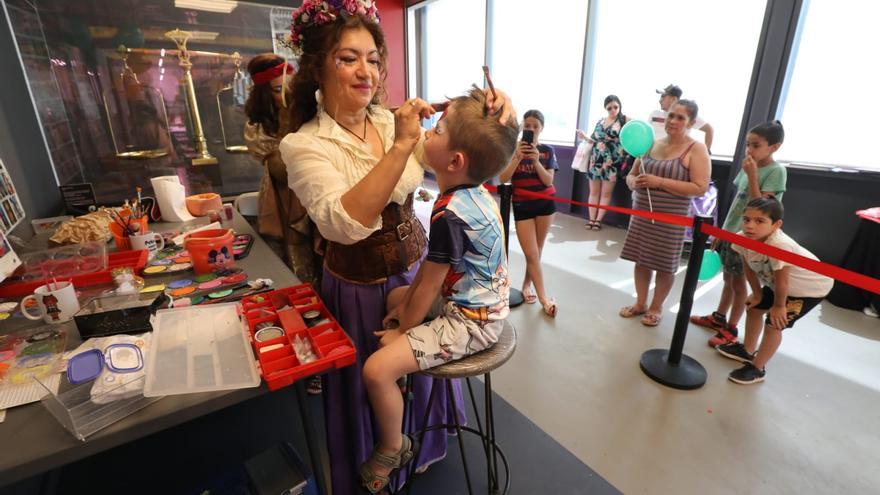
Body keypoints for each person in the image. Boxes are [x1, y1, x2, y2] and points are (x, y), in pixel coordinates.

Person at [277, 2, 515, 493]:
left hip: (422, 268)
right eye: (348, 59)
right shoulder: (304, 145)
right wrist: (402, 145)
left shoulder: (390, 121)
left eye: (372, 58)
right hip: (357, 283)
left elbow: (468, 154)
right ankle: (382, 455)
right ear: (319, 66)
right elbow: (345, 223)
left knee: (414, 358)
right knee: (376, 372)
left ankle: (420, 447)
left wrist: (499, 116)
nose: (366, 71)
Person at [360, 87, 517, 493]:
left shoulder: (449, 214)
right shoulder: (478, 190)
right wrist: (405, 310)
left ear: (455, 160)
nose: (428, 131)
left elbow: (429, 283)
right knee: (397, 298)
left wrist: (403, 330)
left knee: (377, 370)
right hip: (474, 301)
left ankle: (393, 446)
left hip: (474, 321)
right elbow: (425, 284)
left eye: (438, 129)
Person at [715, 197, 833, 384]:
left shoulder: (780, 245)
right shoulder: (744, 238)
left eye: (759, 221)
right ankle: (747, 350)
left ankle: (758, 368)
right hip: (776, 285)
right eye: (746, 219)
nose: (750, 226)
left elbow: (783, 281)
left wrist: (779, 307)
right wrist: (758, 293)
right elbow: (749, 268)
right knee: (754, 308)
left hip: (808, 289)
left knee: (774, 323)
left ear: (776, 224)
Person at [691, 121, 787, 345]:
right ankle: (719, 317)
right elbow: (738, 203)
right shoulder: (748, 166)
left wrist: (753, 176)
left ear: (774, 147)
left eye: (756, 145)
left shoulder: (776, 171)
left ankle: (731, 328)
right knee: (728, 278)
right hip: (732, 234)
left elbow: (761, 208)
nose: (749, 150)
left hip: (749, 239)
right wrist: (722, 232)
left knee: (739, 283)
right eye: (747, 145)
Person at [619, 99, 711, 326]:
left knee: (664, 263)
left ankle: (656, 306)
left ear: (691, 123)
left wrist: (659, 181)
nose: (673, 121)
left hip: (671, 219)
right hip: (641, 214)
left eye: (680, 117)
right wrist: (633, 182)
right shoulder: (651, 144)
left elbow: (700, 187)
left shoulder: (696, 149)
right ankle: (640, 303)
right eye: (671, 115)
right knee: (641, 260)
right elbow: (632, 175)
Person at [243, 53, 321, 287]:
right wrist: (289, 123)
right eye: (278, 90)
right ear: (265, 94)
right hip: (283, 199)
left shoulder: (313, 114)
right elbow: (283, 171)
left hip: (314, 193)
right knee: (295, 264)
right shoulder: (257, 127)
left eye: (291, 87)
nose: (287, 95)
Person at [499, 109, 558, 317]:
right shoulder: (512, 150)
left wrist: (535, 161)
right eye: (528, 125)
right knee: (531, 253)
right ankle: (544, 299)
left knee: (537, 251)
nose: (531, 129)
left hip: (545, 204)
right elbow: (502, 177)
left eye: (535, 126)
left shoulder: (548, 151)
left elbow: (548, 181)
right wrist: (517, 156)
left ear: (541, 129)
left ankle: (527, 285)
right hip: (522, 205)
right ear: (523, 127)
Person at [578, 95, 631, 230]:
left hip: (612, 161)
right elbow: (593, 140)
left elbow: (636, 131)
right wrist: (584, 137)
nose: (613, 110)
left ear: (619, 106)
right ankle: (591, 219)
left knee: (606, 193)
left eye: (615, 107)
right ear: (605, 108)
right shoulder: (600, 121)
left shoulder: (625, 120)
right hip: (596, 159)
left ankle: (598, 220)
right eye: (609, 108)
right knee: (594, 191)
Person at [650, 84, 714, 153]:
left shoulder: (687, 115)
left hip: (676, 156)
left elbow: (709, 129)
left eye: (663, 97)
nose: (660, 100)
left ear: (674, 99)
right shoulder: (655, 114)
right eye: (670, 116)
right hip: (654, 154)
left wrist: (707, 151)